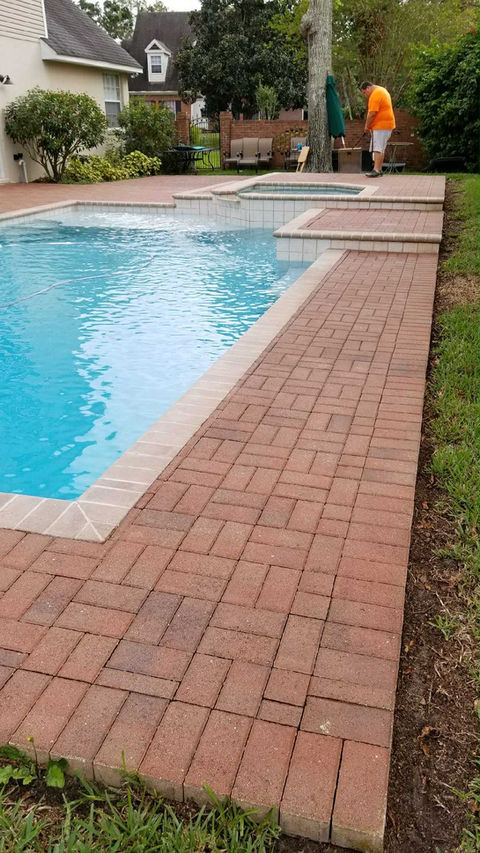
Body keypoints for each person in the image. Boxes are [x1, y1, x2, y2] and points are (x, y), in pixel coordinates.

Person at [360, 81, 395, 177]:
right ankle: (379, 169)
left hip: (380, 126)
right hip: (387, 125)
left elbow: (372, 113)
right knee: (381, 148)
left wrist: (366, 126)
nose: (365, 95)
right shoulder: (382, 90)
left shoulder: (375, 94)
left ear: (368, 88)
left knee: (377, 148)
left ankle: (375, 170)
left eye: (364, 92)